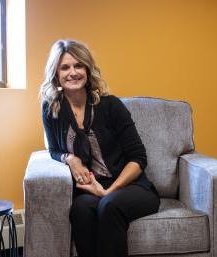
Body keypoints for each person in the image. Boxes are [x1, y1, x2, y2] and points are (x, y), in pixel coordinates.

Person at [40, 39, 160, 257]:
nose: (72, 72)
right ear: (56, 74)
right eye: (65, 67)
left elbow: (138, 158)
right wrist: (71, 158)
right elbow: (54, 150)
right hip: (92, 187)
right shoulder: (51, 109)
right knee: (80, 209)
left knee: (109, 206)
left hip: (132, 186)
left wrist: (107, 192)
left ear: (87, 69)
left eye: (79, 66)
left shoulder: (110, 105)